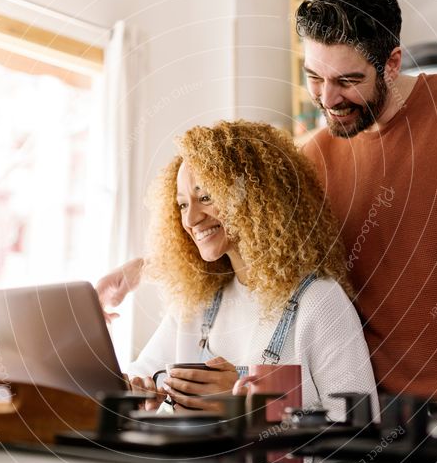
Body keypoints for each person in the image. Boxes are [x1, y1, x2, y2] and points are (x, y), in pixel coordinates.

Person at [99, 0, 437, 418]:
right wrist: (145, 267)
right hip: (377, 420)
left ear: (392, 63)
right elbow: (240, 225)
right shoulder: (312, 157)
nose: (328, 98)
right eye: (314, 77)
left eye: (348, 81)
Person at [123, 120, 378, 421]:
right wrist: (140, 392)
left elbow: (360, 439)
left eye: (205, 197)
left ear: (254, 197)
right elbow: (142, 376)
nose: (190, 218)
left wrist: (249, 409)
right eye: (181, 205)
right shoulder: (196, 302)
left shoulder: (319, 302)